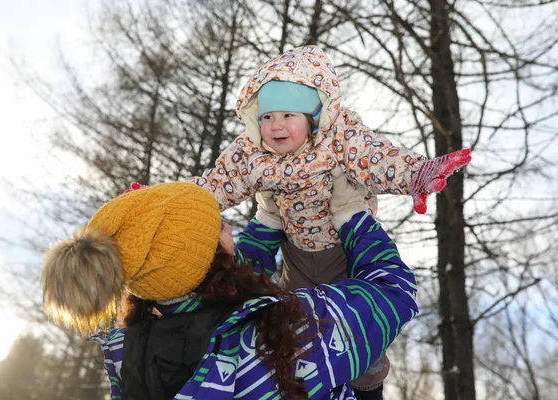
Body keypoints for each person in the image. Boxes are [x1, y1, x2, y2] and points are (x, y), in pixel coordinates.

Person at [191, 45, 470, 395]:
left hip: (343, 251)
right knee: (292, 332)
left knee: (355, 341)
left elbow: (376, 157)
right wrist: (166, 200)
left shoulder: (339, 138)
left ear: (313, 116)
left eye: (287, 115)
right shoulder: (250, 154)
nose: (275, 126)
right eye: (266, 117)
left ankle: (368, 382)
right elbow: (214, 185)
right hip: (295, 256)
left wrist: (416, 174)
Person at [41, 181, 419, 399]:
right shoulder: (286, 334)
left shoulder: (129, 349)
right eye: (220, 227)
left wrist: (268, 221)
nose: (230, 232)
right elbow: (394, 290)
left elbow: (217, 295)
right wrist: (353, 218)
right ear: (213, 254)